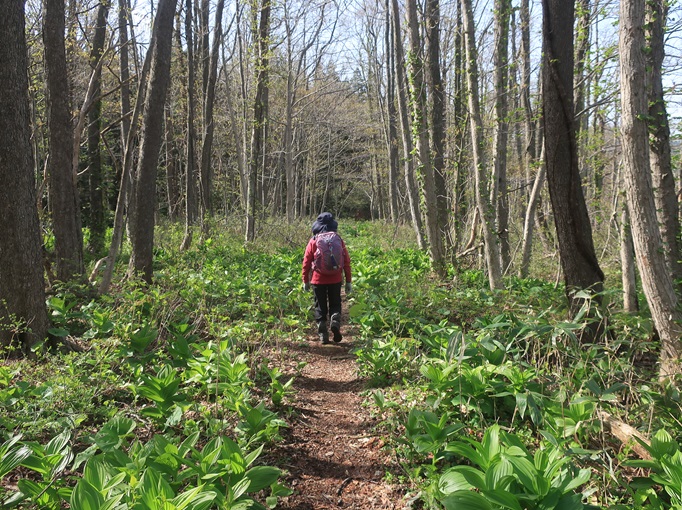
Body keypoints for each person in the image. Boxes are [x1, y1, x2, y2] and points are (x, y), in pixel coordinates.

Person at [302, 212, 352, 344]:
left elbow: (306, 261)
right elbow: (346, 261)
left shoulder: (314, 240)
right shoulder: (338, 239)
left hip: (318, 279)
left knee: (320, 305)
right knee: (335, 303)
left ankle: (322, 331)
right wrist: (348, 281)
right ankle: (335, 318)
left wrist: (305, 280)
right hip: (335, 279)